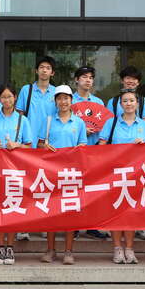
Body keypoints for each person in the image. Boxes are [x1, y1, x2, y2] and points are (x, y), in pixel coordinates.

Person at [99, 89, 145, 264]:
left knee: (131, 212)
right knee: (115, 211)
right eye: (125, 101)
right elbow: (102, 145)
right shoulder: (111, 123)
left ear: (137, 104)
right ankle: (117, 248)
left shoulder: (144, 126)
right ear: (120, 104)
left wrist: (144, 145)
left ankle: (129, 249)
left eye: (131, 100)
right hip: (114, 173)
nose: (128, 104)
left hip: (136, 174)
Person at [38, 85, 88, 265]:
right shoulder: (48, 120)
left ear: (71, 100)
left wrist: (79, 149)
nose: (63, 101)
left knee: (69, 212)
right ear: (55, 101)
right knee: (51, 212)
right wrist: (44, 146)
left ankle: (68, 251)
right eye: (59, 98)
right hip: (51, 172)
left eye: (66, 98)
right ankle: (50, 250)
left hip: (71, 172)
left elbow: (83, 145)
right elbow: (39, 144)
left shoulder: (79, 123)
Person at [105, 65, 145, 241]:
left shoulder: (144, 102)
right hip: (117, 162)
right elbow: (109, 129)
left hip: (138, 161)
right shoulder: (113, 102)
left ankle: (139, 227)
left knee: (138, 194)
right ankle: (116, 228)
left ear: (138, 82)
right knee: (118, 195)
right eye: (127, 78)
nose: (130, 81)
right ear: (122, 80)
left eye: (134, 78)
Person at [0, 83, 32, 265]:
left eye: (9, 97)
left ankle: (10, 247)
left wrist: (17, 145)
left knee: (12, 206)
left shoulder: (23, 120)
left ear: (15, 97)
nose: (6, 100)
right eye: (3, 97)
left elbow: (29, 145)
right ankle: (0, 247)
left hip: (15, 170)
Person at [73, 66, 108, 239]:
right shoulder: (68, 100)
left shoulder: (98, 102)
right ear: (76, 80)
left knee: (92, 188)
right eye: (84, 77)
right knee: (74, 187)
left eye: (91, 77)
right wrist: (81, 131)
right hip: (74, 151)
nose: (88, 80)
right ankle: (73, 225)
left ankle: (92, 226)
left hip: (94, 150)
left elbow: (105, 126)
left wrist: (98, 136)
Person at [16, 56, 57, 149]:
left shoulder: (57, 92)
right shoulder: (26, 90)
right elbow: (19, 116)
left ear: (52, 73)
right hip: (28, 141)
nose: (44, 70)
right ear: (36, 71)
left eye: (48, 68)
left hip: (49, 142)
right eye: (41, 67)